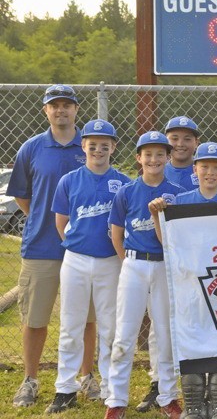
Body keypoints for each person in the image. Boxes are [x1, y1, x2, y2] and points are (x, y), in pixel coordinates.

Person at [7, 84, 99, 407]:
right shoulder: (31, 148)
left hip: (84, 248)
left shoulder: (89, 145)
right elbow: (23, 195)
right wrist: (42, 219)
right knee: (35, 318)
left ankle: (87, 376)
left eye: (66, 105)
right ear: (45, 110)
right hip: (41, 246)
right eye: (54, 105)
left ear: (76, 109)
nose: (61, 110)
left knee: (87, 318)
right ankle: (30, 379)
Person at [149, 141, 217, 419]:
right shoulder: (182, 201)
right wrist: (157, 216)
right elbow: (167, 242)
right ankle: (193, 404)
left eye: (216, 167)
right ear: (195, 170)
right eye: (204, 167)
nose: (210, 173)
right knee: (190, 337)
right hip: (189, 282)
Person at [45, 119, 130, 413]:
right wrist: (79, 246)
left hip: (110, 261)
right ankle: (65, 388)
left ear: (113, 147)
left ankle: (109, 387)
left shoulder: (123, 183)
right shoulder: (70, 180)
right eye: (92, 144)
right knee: (71, 325)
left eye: (104, 145)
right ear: (83, 146)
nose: (98, 149)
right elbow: (61, 223)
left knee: (110, 327)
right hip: (76, 260)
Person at [104, 131, 185, 419]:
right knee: (124, 334)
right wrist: (127, 261)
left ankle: (168, 397)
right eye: (148, 154)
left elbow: (178, 237)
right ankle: (116, 400)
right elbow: (116, 233)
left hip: (164, 266)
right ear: (138, 158)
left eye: (160, 154)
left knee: (165, 334)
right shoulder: (127, 191)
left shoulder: (176, 192)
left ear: (168, 157)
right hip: (134, 264)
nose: (154, 159)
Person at [137, 115, 201, 413]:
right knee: (160, 323)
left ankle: (198, 380)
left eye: (187, 138)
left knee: (198, 320)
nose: (181, 143)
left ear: (196, 142)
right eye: (174, 138)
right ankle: (159, 383)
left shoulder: (205, 169)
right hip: (163, 259)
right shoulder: (157, 171)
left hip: (197, 262)